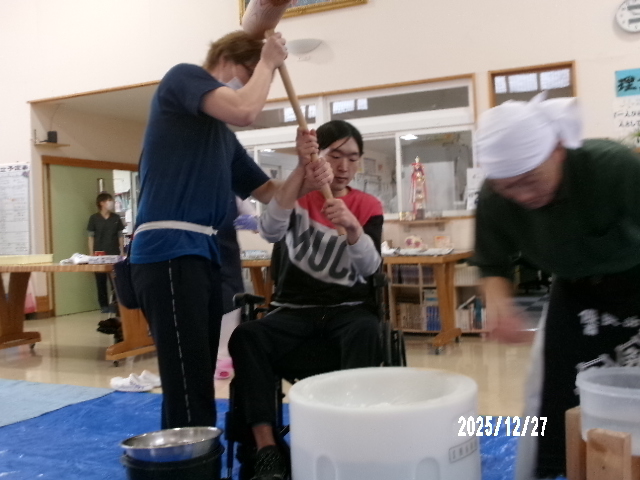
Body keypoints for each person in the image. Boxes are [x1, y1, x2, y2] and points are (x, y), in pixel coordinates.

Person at [472, 91, 640, 479]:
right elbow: (491, 262)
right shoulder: (495, 197)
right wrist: (500, 307)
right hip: (575, 290)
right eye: (509, 188)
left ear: (558, 149)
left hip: (636, 282)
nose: (522, 196)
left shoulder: (613, 168)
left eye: (530, 181)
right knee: (552, 394)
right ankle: (551, 470)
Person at [129, 30, 290, 431]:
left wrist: (307, 168)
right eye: (250, 74)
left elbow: (270, 192)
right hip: (169, 250)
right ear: (227, 60)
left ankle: (188, 454)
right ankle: (191, 458)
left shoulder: (222, 138)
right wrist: (269, 60)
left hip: (202, 256)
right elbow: (244, 109)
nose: (253, 87)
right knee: (188, 383)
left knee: (196, 376)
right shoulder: (182, 78)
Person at [228, 120, 384, 480]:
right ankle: (267, 450)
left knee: (367, 330)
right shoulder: (296, 198)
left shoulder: (368, 204)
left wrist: (354, 229)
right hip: (294, 312)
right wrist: (300, 168)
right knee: (247, 335)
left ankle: (352, 440)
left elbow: (371, 268)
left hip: (348, 312)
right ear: (318, 156)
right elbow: (270, 231)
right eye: (335, 155)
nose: (344, 166)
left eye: (353, 158)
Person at [87, 192, 124, 313]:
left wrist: (122, 251)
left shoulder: (116, 218)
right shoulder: (94, 218)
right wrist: (91, 254)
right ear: (102, 203)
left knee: (115, 280)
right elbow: (91, 237)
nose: (111, 203)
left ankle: (116, 304)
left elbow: (120, 236)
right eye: (109, 200)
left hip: (114, 253)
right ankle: (103, 305)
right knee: (100, 281)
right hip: (99, 254)